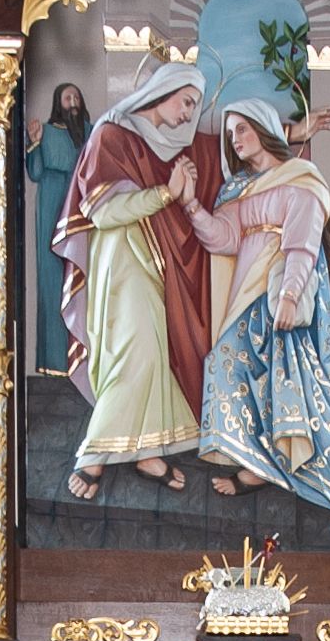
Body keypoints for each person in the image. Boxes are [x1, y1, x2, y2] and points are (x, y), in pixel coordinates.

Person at [179, 101, 330, 542]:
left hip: (276, 290)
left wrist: (289, 296)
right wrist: (192, 203)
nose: (236, 139)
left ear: (265, 128)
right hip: (245, 290)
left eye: (243, 129)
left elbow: (302, 245)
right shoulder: (238, 188)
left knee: (275, 375)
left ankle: (263, 468)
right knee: (229, 365)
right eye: (231, 133)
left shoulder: (299, 180)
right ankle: (257, 460)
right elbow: (223, 238)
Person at [53, 67, 224, 499]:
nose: (189, 113)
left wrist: (290, 132)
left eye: (195, 106)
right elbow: (104, 212)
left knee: (156, 352)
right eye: (186, 101)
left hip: (150, 261)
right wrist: (167, 193)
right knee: (138, 353)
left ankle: (147, 451)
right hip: (121, 262)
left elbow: (224, 145)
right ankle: (92, 456)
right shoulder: (110, 134)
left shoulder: (165, 145)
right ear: (163, 91)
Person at [25, 83, 90, 372]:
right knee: (53, 282)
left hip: (82, 207)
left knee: (84, 278)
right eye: (67, 98)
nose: (73, 102)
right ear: (58, 103)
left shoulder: (91, 133)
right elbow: (36, 172)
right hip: (53, 207)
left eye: (76, 97)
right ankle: (54, 360)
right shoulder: (48, 132)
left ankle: (84, 361)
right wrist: (35, 142)